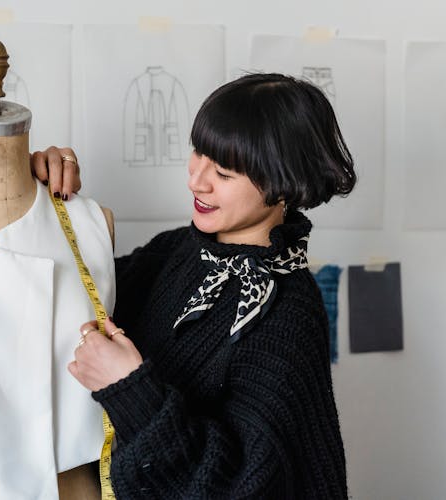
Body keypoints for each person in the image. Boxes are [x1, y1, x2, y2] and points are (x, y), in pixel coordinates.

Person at [31, 73, 356, 499]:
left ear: (282, 185)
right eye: (198, 152)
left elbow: (245, 487)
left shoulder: (286, 314)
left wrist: (130, 389)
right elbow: (71, 298)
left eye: (222, 171)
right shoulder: (179, 251)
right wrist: (38, 188)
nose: (196, 180)